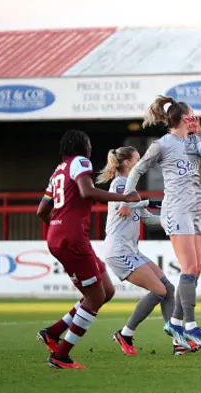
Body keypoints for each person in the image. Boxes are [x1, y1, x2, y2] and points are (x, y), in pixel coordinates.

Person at [121, 96, 201, 351]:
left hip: (196, 208)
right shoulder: (162, 144)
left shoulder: (193, 140)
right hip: (177, 210)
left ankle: (175, 322)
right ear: (184, 118)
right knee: (188, 268)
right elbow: (137, 169)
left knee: (195, 270)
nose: (195, 118)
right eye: (192, 115)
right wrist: (126, 199)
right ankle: (190, 326)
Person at [36, 130, 140, 369]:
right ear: (83, 146)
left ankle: (53, 333)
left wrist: (59, 227)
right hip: (72, 239)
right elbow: (87, 192)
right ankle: (61, 355)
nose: (91, 148)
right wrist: (124, 198)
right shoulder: (80, 162)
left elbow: (41, 211)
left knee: (106, 290)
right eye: (90, 144)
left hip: (63, 237)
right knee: (95, 297)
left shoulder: (58, 170)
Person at [97, 146, 197, 356]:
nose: (142, 161)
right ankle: (125, 334)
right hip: (118, 250)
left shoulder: (131, 189)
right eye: (138, 158)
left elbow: (148, 219)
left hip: (131, 250)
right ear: (127, 164)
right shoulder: (120, 183)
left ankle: (178, 341)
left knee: (168, 289)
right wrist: (128, 203)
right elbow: (120, 205)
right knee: (159, 291)